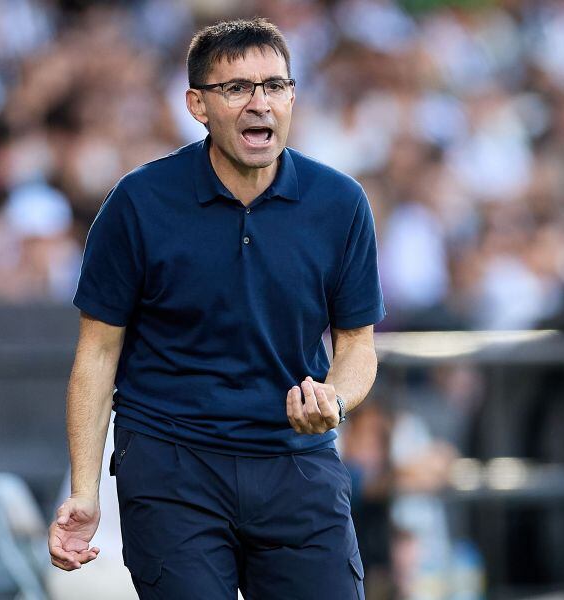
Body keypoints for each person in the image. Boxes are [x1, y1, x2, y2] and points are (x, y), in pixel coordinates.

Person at [48, 18, 385, 599]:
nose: (260, 103)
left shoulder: (341, 203)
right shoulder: (139, 202)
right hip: (171, 463)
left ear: (292, 96)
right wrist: (84, 491)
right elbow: (97, 353)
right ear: (197, 105)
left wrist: (334, 398)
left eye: (275, 86)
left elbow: (357, 346)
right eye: (237, 89)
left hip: (296, 461)